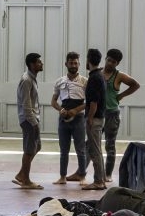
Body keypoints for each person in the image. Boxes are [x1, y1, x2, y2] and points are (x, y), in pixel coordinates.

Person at [101, 49, 140, 183]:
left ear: (117, 64)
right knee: (91, 144)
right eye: (109, 60)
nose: (110, 63)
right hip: (98, 113)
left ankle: (108, 174)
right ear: (105, 59)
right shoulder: (98, 73)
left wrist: (121, 95)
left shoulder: (119, 76)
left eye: (113, 62)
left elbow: (135, 85)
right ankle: (84, 172)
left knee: (110, 145)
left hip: (112, 114)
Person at [51, 51, 88, 185]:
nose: (73, 65)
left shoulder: (85, 81)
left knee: (80, 149)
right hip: (63, 118)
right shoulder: (59, 81)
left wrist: (76, 110)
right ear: (66, 64)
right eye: (71, 63)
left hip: (79, 118)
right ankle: (62, 177)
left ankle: (82, 176)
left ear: (79, 64)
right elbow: (53, 101)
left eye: (75, 63)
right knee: (64, 150)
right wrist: (61, 109)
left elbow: (89, 102)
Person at [13, 53, 43, 189]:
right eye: (39, 62)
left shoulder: (32, 78)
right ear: (32, 64)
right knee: (29, 150)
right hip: (29, 120)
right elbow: (26, 105)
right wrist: (34, 123)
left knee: (37, 147)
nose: (41, 64)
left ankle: (21, 174)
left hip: (32, 119)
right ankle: (26, 180)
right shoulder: (27, 80)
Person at [83, 48, 107, 191]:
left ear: (88, 60)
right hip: (100, 118)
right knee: (97, 150)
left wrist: (90, 118)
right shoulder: (100, 75)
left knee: (95, 151)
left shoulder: (94, 78)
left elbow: (93, 102)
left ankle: (98, 181)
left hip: (95, 119)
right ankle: (101, 179)